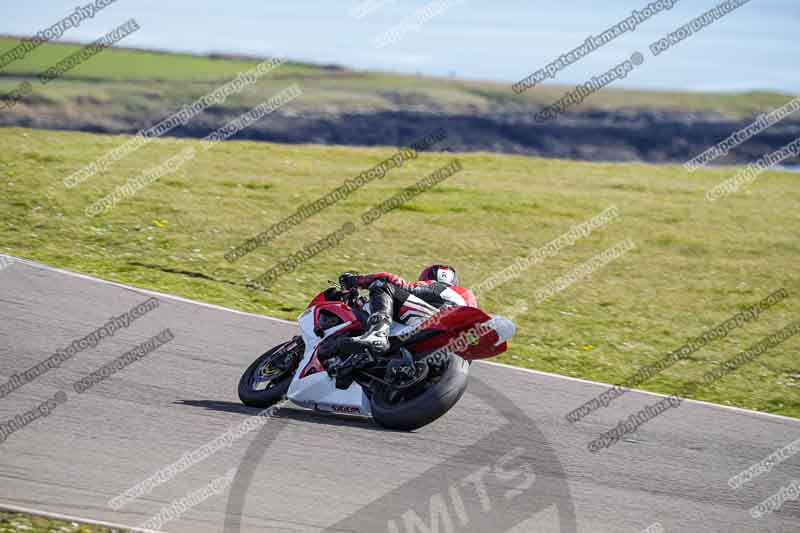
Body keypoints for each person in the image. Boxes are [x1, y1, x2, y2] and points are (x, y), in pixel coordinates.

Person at [336, 264, 476, 355]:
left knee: (382, 285)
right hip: (457, 340)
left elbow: (392, 280)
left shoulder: (434, 286)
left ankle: (378, 334)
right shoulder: (467, 295)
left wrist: (357, 281)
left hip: (433, 320)